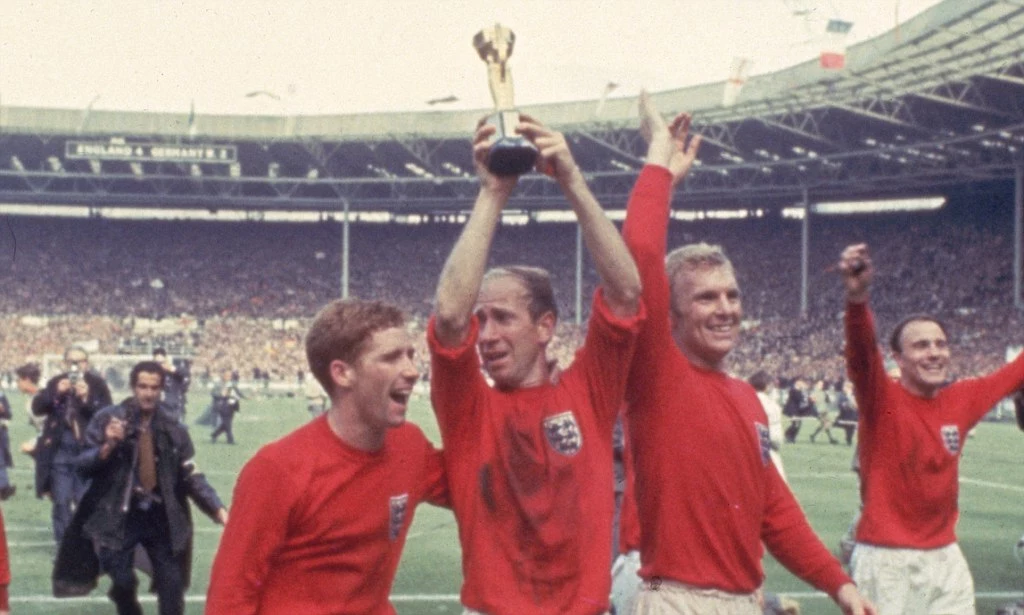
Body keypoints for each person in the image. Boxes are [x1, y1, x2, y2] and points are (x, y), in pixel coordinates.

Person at [621, 92, 873, 613]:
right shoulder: (656, 375)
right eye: (706, 297)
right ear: (672, 312)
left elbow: (774, 511)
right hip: (678, 600)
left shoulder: (747, 398)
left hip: (742, 601)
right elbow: (641, 256)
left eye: (732, 295)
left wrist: (839, 585)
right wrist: (659, 168)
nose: (725, 309)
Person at [429, 113, 644, 613]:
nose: (488, 334)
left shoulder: (587, 393)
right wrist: (491, 194)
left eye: (503, 317)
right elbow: (449, 317)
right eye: (483, 319)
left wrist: (571, 179)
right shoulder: (468, 409)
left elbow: (628, 292)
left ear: (545, 327)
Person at [206, 299, 448, 614]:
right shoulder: (277, 470)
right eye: (391, 358)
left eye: (410, 356)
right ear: (343, 373)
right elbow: (229, 599)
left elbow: (483, 487)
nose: (413, 371)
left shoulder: (410, 446)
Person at [838, 242, 1024, 614]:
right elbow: (860, 353)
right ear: (898, 358)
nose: (934, 352)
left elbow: (1015, 371)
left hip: (946, 557)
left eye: (940, 344)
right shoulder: (880, 398)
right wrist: (857, 298)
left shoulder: (963, 398)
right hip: (886, 561)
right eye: (921, 346)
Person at [52, 360, 228, 615]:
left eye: (154, 387)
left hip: (161, 514)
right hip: (119, 513)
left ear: (161, 389)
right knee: (122, 580)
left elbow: (190, 472)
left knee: (172, 584)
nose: (148, 393)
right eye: (143, 386)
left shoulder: (172, 427)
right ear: (133, 387)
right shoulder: (108, 419)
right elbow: (81, 464)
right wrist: (109, 445)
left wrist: (218, 509)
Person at [32, 345, 113, 546]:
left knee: (85, 501)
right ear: (65, 363)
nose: (76, 366)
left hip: (87, 451)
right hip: (61, 451)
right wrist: (56, 394)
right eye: (71, 362)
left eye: (80, 361)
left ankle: (87, 547)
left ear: (87, 363)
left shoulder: (97, 384)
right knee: (61, 501)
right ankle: (64, 548)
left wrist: (87, 399)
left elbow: (107, 414)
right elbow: (37, 407)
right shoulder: (56, 382)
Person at [749, 370, 787, 482]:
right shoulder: (772, 405)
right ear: (766, 386)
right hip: (768, 451)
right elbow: (776, 438)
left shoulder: (745, 400)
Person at [153, 348, 190, 423]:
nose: (160, 365)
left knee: (177, 429)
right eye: (158, 363)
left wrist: (173, 369)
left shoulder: (173, 371)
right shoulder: (153, 372)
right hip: (159, 406)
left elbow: (186, 374)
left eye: (162, 362)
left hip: (174, 405)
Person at [209, 371, 244, 444]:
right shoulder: (218, 384)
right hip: (222, 406)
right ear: (223, 376)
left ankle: (214, 435)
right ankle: (230, 440)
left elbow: (238, 393)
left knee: (225, 424)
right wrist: (221, 394)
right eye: (227, 376)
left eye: (230, 376)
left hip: (231, 406)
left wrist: (247, 397)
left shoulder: (232, 384)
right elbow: (213, 393)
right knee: (228, 424)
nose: (229, 377)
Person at [782, 378, 813, 444]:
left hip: (798, 410)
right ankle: (787, 435)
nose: (803, 385)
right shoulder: (793, 390)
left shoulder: (800, 391)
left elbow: (804, 400)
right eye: (801, 383)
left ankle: (792, 438)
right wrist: (804, 391)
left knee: (798, 425)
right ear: (797, 383)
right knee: (795, 424)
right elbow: (799, 399)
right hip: (792, 410)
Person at [836, 380, 859, 446]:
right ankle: (848, 438)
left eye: (845, 387)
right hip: (845, 413)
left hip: (853, 414)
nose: (843, 388)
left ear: (849, 387)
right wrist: (845, 404)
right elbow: (839, 403)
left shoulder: (854, 394)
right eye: (844, 386)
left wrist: (854, 404)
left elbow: (857, 403)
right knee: (847, 426)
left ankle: (849, 439)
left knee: (851, 426)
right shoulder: (841, 395)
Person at [0, 389, 12, 500]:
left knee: (1, 460)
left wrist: (3, 410)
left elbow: (9, 414)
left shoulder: (1, 395)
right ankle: (4, 486)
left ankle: (4, 486)